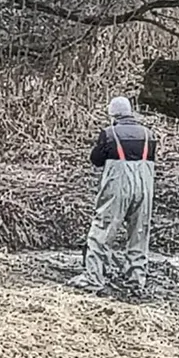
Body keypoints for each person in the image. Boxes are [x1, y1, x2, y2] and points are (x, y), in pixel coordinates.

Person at [68, 96, 157, 292]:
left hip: (118, 186)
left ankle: (94, 277)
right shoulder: (148, 134)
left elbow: (96, 159)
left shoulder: (109, 134)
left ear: (113, 114)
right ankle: (136, 279)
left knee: (103, 229)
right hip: (145, 186)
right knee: (139, 232)